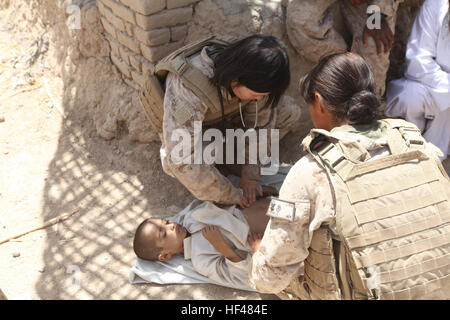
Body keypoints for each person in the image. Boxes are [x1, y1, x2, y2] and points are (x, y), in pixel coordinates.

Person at [249, 52, 450, 300]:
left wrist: (259, 254)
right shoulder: (420, 147)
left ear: (319, 101)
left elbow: (270, 278)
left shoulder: (310, 172)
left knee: (267, 288)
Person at [140, 35, 301, 209]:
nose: (260, 99)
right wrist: (230, 195)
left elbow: (261, 125)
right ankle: (216, 172)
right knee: (176, 161)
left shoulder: (253, 75)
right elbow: (182, 158)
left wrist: (250, 175)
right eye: (256, 95)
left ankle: (228, 163)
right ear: (235, 80)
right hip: (199, 134)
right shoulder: (188, 90)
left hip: (224, 124)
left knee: (288, 112)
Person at [133, 198, 269, 290]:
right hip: (271, 233)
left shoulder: (192, 217)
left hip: (272, 203)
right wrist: (220, 244)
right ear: (165, 256)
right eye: (164, 234)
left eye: (167, 222)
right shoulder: (200, 259)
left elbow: (223, 204)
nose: (171, 226)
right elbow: (240, 274)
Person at [286, 0, 402, 98]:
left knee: (375, 43)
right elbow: (299, 18)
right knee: (300, 21)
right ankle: (342, 64)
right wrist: (340, 57)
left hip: (372, 4)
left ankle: (367, 106)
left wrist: (377, 16)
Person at [385, 0, 450, 161]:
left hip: (442, 94)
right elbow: (418, 61)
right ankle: (409, 151)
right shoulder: (435, 5)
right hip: (432, 86)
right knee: (410, 97)